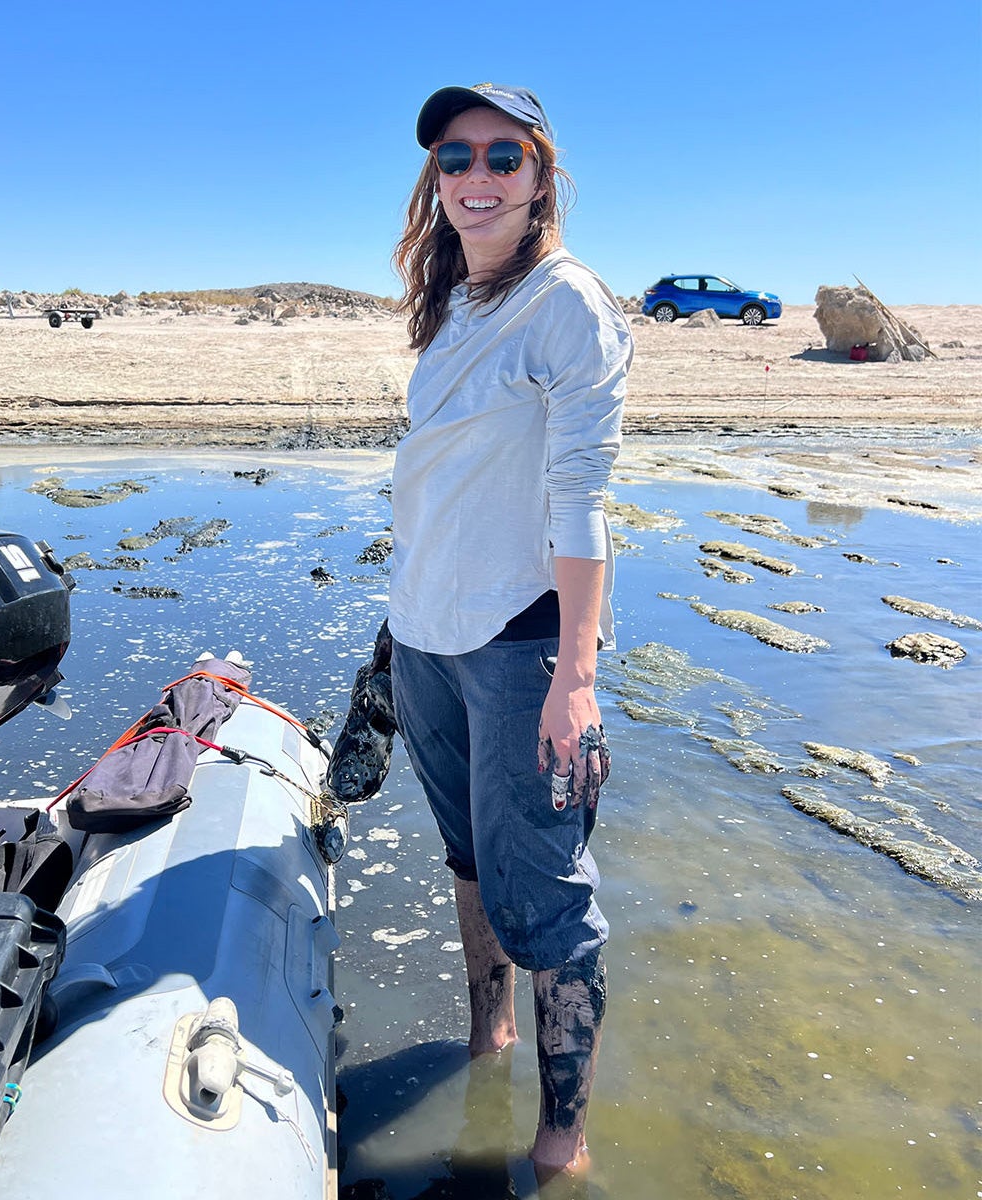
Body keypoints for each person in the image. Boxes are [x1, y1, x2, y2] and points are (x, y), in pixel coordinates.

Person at [387, 82, 632, 1184]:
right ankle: (485, 1037)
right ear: (435, 178)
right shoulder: (452, 302)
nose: (475, 176)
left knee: (547, 898)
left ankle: (560, 1138)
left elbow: (582, 499)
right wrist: (395, 629)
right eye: (455, 157)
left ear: (541, 176)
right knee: (470, 859)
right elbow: (439, 483)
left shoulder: (566, 302)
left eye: (502, 156)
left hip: (519, 641)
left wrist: (575, 678)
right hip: (426, 636)